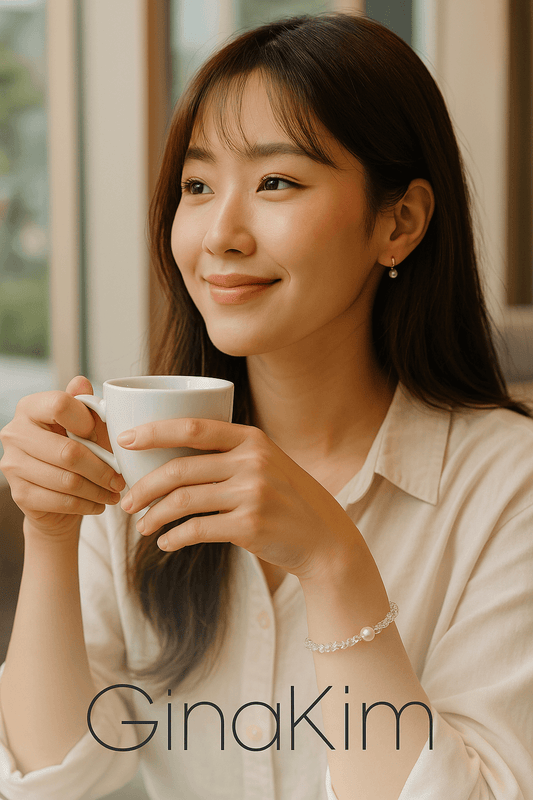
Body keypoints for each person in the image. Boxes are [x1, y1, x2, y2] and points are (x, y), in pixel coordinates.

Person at [0, 12, 532, 800]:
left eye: (276, 181)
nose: (220, 234)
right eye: (197, 185)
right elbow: (56, 782)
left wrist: (332, 562)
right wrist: (49, 532)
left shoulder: (507, 487)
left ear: (400, 222)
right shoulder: (136, 454)